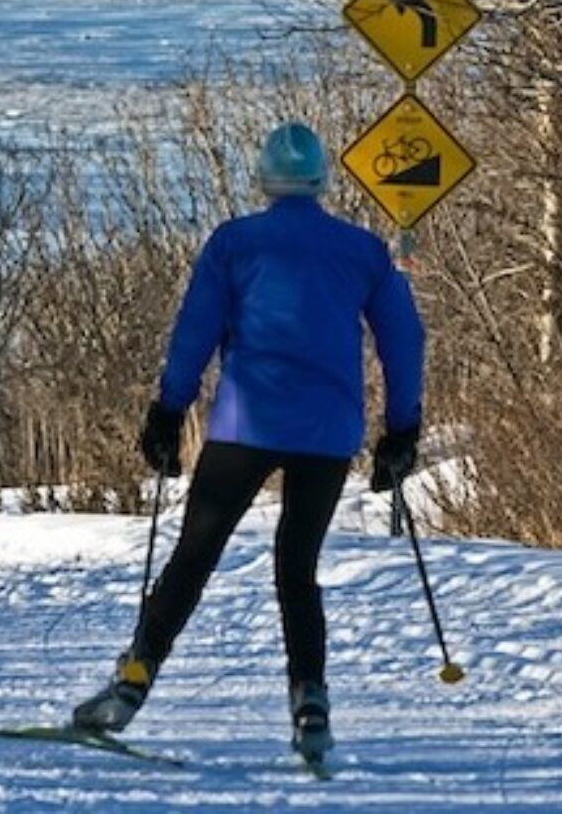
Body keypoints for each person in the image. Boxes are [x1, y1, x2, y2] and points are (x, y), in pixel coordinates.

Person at [72, 121, 426, 759]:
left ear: (264, 180)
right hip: (327, 430)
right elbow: (404, 340)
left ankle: (133, 680)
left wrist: (167, 409)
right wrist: (403, 428)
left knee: (193, 557)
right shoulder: (363, 251)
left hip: (246, 424)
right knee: (297, 570)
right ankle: (310, 701)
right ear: (321, 180)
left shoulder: (235, 244)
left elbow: (195, 331)